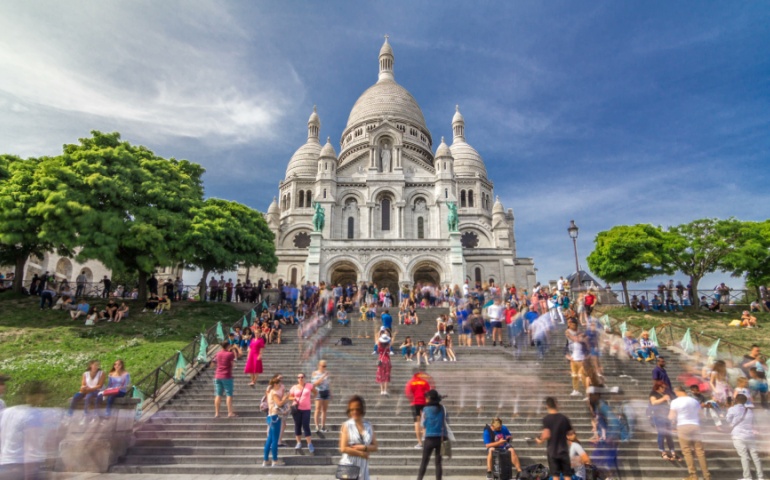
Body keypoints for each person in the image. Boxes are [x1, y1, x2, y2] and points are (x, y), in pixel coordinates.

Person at [668, 386, 711, 480]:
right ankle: (706, 476)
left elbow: (671, 417)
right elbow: (701, 416)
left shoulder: (675, 402)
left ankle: (693, 475)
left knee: (687, 451)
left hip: (683, 426)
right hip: (695, 426)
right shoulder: (694, 401)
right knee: (700, 451)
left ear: (677, 392)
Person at [338, 395, 378, 480]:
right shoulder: (347, 425)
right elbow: (343, 448)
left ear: (361, 410)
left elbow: (375, 446)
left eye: (357, 409)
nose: (354, 412)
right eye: (352, 409)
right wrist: (361, 454)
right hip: (348, 466)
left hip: (363, 468)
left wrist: (364, 447)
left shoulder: (368, 426)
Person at [725, 394, 763, 480]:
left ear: (735, 400)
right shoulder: (749, 411)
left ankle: (747, 477)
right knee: (755, 456)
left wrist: (729, 408)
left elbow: (728, 420)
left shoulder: (732, 409)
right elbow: (752, 422)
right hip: (750, 435)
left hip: (738, 435)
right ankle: (761, 477)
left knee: (744, 456)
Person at [535, 397, 573, 480]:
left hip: (553, 452)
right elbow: (571, 434)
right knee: (567, 475)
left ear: (547, 406)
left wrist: (540, 439)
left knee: (555, 476)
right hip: (563, 451)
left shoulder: (546, 419)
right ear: (556, 404)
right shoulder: (564, 418)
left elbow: (546, 435)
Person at [416, 389, 446, 480]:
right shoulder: (442, 408)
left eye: (426, 397)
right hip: (440, 439)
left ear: (429, 399)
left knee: (424, 462)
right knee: (438, 463)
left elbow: (422, 424)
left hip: (429, 438)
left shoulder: (425, 409)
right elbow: (445, 421)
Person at [263, 375, 290, 467]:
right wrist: (286, 397)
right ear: (275, 384)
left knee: (269, 439)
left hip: (270, 416)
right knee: (275, 440)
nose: (280, 385)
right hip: (275, 417)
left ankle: (266, 460)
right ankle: (275, 460)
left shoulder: (269, 391)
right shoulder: (274, 393)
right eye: (279, 383)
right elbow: (279, 403)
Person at [649, 380, 678, 461]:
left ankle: (672, 450)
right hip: (658, 416)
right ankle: (662, 451)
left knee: (669, 434)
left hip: (667, 416)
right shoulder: (653, 394)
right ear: (658, 387)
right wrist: (663, 398)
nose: (664, 389)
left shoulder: (664, 394)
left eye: (665, 387)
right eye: (663, 387)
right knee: (661, 433)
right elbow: (653, 402)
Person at [405, 369, 434, 449]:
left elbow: (408, 393)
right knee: (425, 420)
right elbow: (429, 392)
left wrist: (412, 400)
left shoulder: (411, 382)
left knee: (417, 422)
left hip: (415, 404)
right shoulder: (424, 382)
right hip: (424, 403)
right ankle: (425, 438)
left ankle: (419, 442)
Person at [289, 372, 316, 454]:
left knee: (306, 425)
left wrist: (312, 399)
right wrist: (294, 398)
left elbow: (315, 392)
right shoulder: (294, 387)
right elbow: (289, 396)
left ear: (305, 378)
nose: (300, 378)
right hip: (297, 409)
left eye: (302, 377)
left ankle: (309, 443)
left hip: (306, 409)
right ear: (297, 378)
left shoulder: (309, 385)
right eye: (299, 377)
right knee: (297, 425)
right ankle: (299, 442)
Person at [213, 341, 236, 418]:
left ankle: (217, 413)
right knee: (229, 394)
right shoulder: (230, 354)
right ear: (228, 346)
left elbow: (213, 363)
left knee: (218, 394)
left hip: (217, 375)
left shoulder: (218, 353)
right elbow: (233, 364)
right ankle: (230, 412)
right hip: (226, 375)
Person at [311, 360, 331, 433]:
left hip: (326, 391)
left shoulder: (327, 373)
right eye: (323, 366)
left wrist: (330, 392)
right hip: (318, 392)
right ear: (319, 365)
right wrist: (323, 376)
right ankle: (317, 426)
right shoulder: (315, 373)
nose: (324, 367)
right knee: (317, 409)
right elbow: (314, 384)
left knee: (324, 410)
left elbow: (328, 383)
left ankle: (323, 426)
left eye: (325, 366)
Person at [376, 331, 392, 395]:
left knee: (381, 376)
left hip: (381, 360)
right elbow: (388, 352)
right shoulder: (388, 346)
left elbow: (378, 350)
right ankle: (385, 390)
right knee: (386, 376)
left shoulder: (379, 346)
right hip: (387, 361)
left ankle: (381, 390)